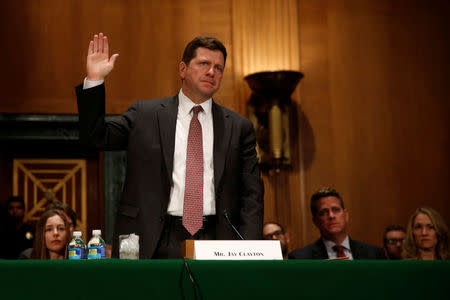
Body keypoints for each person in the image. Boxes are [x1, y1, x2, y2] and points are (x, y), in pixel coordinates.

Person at [76, 33, 264, 258]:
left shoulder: (238, 127)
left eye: (219, 68)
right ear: (182, 70)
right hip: (153, 238)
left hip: (217, 239)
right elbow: (95, 138)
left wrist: (250, 249)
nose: (212, 72)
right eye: (204, 63)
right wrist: (95, 80)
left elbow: (252, 194)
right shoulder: (144, 115)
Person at [289, 187, 385, 260]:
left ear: (345, 215)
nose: (331, 216)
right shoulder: (301, 258)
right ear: (315, 221)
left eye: (336, 210)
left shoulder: (374, 254)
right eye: (323, 212)